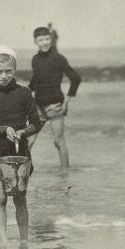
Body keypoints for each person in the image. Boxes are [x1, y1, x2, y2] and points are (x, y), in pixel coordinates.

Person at [0, 46, 42, 245]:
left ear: (15, 70)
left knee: (19, 198)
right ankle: (4, 242)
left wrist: (23, 132)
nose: (3, 76)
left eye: (8, 71)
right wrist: (3, 129)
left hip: (19, 151)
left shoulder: (24, 94)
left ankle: (23, 241)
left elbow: (36, 123)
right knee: (0, 197)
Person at [28, 26, 81, 168]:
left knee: (58, 141)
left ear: (51, 40)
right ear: (35, 42)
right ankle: (23, 175)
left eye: (47, 39)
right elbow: (35, 80)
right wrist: (24, 96)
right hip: (38, 107)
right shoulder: (35, 59)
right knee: (27, 142)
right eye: (41, 40)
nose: (44, 42)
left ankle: (65, 175)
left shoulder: (58, 59)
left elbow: (75, 78)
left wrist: (67, 102)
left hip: (55, 106)